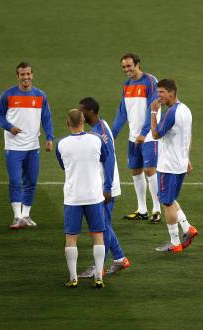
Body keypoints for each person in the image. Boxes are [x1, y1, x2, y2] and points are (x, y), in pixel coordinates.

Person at [56, 109, 113, 289]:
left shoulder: (61, 144)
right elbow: (105, 158)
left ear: (67, 124)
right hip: (94, 196)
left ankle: (73, 278)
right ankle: (99, 276)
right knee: (98, 236)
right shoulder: (96, 139)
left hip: (73, 197)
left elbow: (63, 166)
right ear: (83, 121)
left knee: (71, 238)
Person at [0, 62, 54, 229]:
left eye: (28, 74)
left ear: (32, 75)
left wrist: (49, 137)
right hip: (13, 146)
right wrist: (9, 127)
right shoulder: (8, 95)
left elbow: (46, 118)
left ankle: (26, 216)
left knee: (31, 182)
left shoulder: (40, 95)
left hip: (33, 146)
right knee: (15, 181)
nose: (26, 77)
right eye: (22, 74)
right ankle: (17, 216)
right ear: (18, 76)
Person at [77, 97, 131, 278]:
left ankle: (98, 267)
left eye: (82, 110)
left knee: (101, 227)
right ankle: (120, 258)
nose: (80, 114)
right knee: (104, 225)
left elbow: (109, 160)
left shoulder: (98, 134)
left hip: (105, 187)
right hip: (103, 186)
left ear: (90, 112)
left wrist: (107, 187)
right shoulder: (101, 126)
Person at [111, 53, 162, 223]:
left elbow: (152, 108)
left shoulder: (150, 81)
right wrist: (112, 134)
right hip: (133, 136)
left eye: (129, 66)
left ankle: (156, 209)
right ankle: (142, 209)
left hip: (149, 135)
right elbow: (122, 112)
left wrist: (144, 131)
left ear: (138, 64)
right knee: (135, 170)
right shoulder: (127, 85)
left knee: (150, 170)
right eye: (124, 67)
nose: (126, 70)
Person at [150, 79, 198, 252]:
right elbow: (187, 136)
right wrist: (187, 159)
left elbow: (155, 134)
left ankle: (175, 242)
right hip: (180, 164)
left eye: (162, 92)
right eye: (158, 92)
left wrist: (154, 113)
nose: (159, 96)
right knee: (169, 198)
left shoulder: (171, 113)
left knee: (167, 202)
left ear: (172, 92)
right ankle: (188, 228)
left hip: (168, 166)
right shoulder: (186, 110)